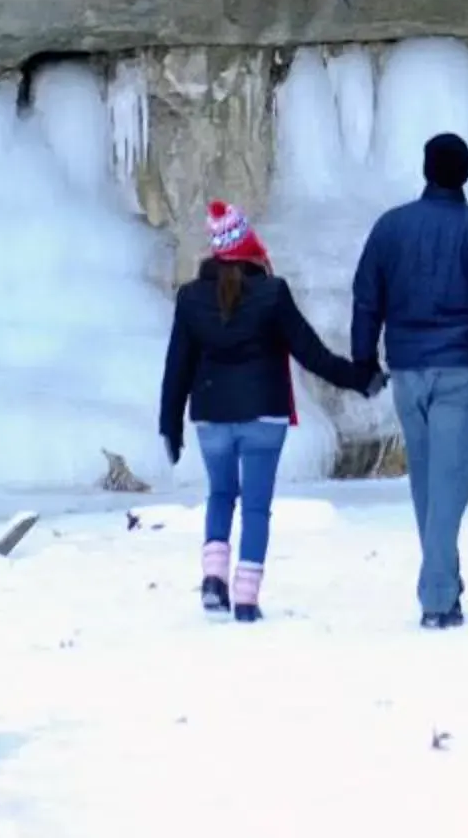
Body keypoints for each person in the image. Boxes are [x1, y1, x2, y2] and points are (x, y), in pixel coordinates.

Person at [159, 200, 381, 624]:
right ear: (249, 248)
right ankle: (245, 599)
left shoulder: (190, 298)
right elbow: (312, 355)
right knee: (256, 507)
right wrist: (361, 379)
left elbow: (178, 366)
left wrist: (170, 425)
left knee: (221, 494)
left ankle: (212, 579)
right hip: (265, 415)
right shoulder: (271, 293)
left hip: (211, 417)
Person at [350, 131, 468, 630]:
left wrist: (363, 358)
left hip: (407, 365)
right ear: (465, 173)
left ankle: (442, 580)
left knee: (428, 481)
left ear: (427, 170)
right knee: (450, 482)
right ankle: (437, 596)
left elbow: (367, 297)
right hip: (461, 365)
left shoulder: (391, 228)